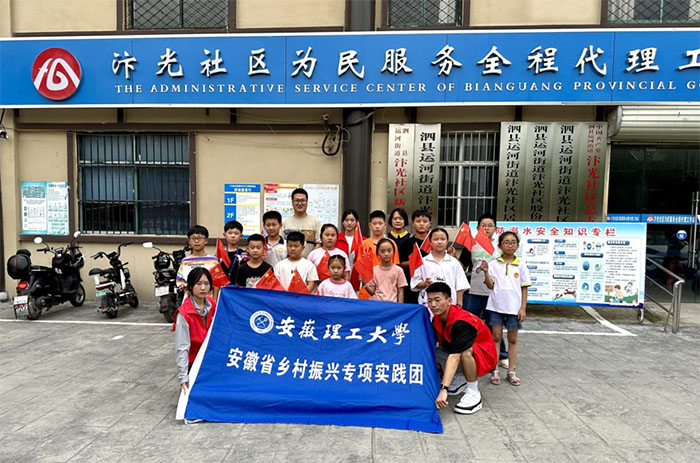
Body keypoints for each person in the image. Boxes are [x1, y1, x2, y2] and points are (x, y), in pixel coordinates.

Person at [427, 282, 497, 415]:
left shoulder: (462, 321)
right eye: (429, 301)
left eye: (437, 300)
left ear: (449, 301)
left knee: (465, 352)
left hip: (483, 356)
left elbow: (454, 357)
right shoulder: (437, 318)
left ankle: (473, 391)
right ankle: (458, 378)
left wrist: (443, 389)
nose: (433, 305)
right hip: (455, 351)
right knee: (427, 352)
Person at [458, 213, 508, 366]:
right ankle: (467, 352)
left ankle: (502, 355)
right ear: (478, 228)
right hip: (473, 291)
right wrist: (453, 257)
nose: (486, 228)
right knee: (470, 323)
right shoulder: (471, 244)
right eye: (483, 225)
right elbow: (462, 266)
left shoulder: (500, 247)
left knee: (494, 324)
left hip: (494, 292)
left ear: (496, 228)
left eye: (490, 225)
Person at [482, 231, 531, 387]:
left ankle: (511, 371)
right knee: (496, 338)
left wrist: (523, 308)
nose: (510, 245)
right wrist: (485, 272)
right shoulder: (493, 264)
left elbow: (524, 288)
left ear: (517, 245)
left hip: (514, 308)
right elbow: (490, 286)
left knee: (513, 339)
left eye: (513, 242)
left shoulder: (521, 265)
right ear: (500, 246)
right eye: (506, 242)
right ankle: (495, 369)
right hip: (495, 306)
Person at [173, 267, 216, 392]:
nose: (203, 288)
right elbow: (182, 347)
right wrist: (183, 377)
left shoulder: (213, 305)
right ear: (191, 286)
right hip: (194, 363)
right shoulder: (184, 313)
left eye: (206, 284)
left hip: (211, 360)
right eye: (198, 283)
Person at [411, 228, 470, 307]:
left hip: (449, 305)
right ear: (430, 242)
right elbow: (415, 282)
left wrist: (459, 304)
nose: (439, 242)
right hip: (427, 304)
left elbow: (460, 285)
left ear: (447, 242)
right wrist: (424, 283)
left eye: (443, 239)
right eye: (436, 239)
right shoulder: (422, 262)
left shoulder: (454, 262)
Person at [399, 209, 431, 304]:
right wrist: (415, 262)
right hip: (410, 284)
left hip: (429, 283)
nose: (421, 224)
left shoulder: (433, 242)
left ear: (430, 224)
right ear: (413, 224)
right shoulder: (407, 243)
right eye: (418, 221)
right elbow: (401, 263)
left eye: (425, 221)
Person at [281, 188, 322, 257]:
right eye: (297, 200)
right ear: (292, 202)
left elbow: (319, 243)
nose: (300, 203)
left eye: (302, 200)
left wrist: (310, 258)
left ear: (307, 202)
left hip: (309, 262)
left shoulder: (315, 221)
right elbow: (281, 244)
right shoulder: (284, 222)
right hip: (289, 261)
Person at [176, 225, 220, 289]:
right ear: (189, 241)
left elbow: (218, 282)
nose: (196, 241)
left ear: (206, 240)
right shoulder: (185, 261)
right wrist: (183, 285)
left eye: (200, 238)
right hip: (190, 294)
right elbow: (180, 281)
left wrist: (214, 296)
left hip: (209, 294)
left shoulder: (213, 261)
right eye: (193, 238)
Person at [364, 238, 407, 303]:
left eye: (389, 251)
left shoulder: (398, 270)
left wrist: (400, 306)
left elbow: (400, 291)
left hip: (392, 305)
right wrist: (364, 283)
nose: (386, 254)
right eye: (382, 251)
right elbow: (372, 292)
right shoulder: (373, 270)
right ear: (377, 253)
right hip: (377, 304)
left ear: (393, 252)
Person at [221, 220, 249, 284]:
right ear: (224, 235)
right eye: (230, 233)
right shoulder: (220, 253)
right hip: (222, 287)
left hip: (239, 287)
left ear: (241, 236)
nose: (233, 236)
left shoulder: (244, 255)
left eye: (236, 233)